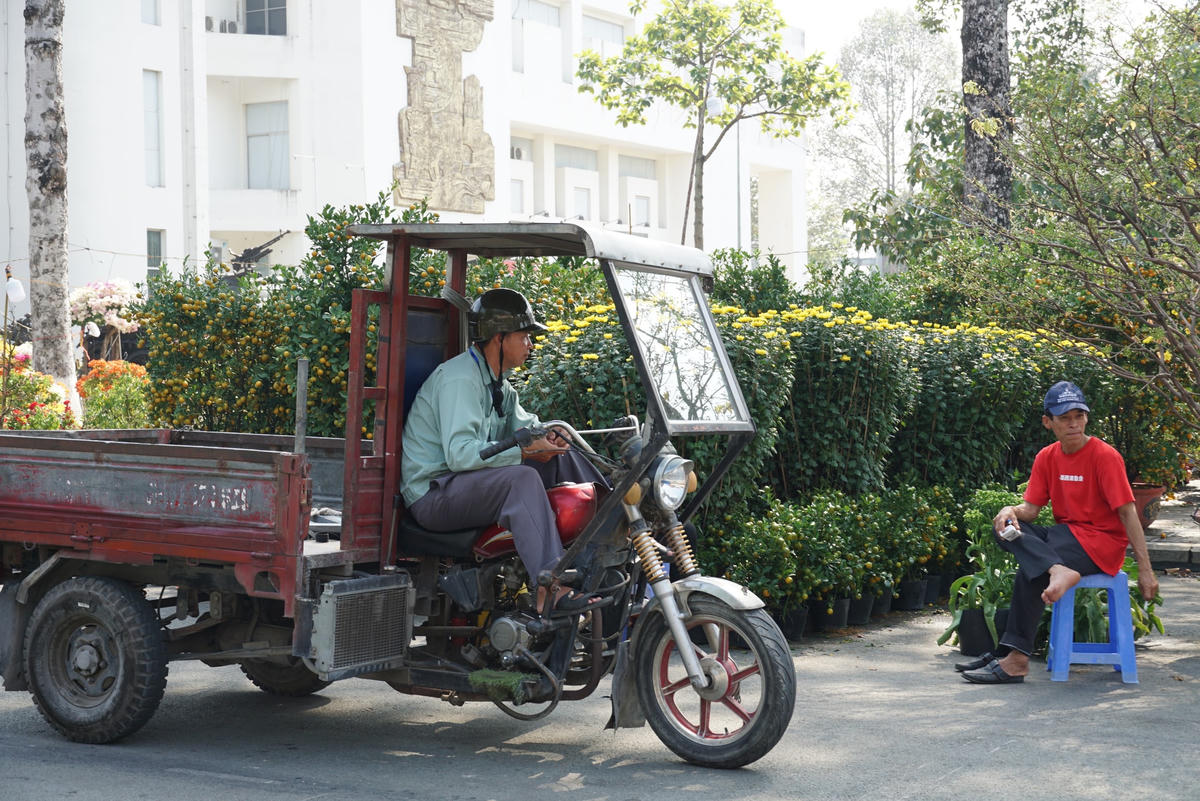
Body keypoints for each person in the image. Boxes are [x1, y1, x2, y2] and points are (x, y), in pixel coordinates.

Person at [400, 288, 606, 613]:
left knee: (561, 455)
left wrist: (550, 439)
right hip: (433, 494)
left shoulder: (498, 383)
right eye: (524, 336)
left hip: (464, 485)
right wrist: (525, 452)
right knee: (520, 479)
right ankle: (547, 588)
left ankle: (610, 530)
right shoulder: (460, 380)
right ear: (499, 338)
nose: (530, 345)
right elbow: (461, 455)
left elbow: (527, 427)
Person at [959, 380, 1159, 684]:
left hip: (1101, 545)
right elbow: (1031, 510)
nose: (1074, 424)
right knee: (1005, 529)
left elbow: (1128, 512)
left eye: (1079, 416)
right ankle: (1054, 576)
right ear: (1048, 422)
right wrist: (1009, 511)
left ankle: (1014, 658)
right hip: (1066, 538)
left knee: (1032, 569)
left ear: (1087, 418)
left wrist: (1146, 569)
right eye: (1065, 418)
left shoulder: (1105, 456)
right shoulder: (1047, 457)